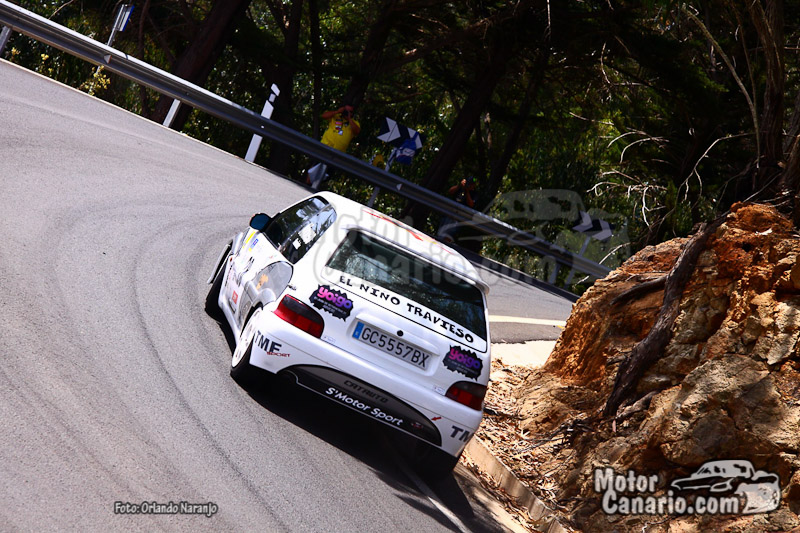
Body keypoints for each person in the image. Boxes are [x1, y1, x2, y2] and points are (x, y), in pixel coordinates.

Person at [307, 105, 361, 189]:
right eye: (346, 110)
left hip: (337, 155)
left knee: (326, 176)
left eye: (350, 111)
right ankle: (305, 187)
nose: (347, 113)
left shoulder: (354, 123)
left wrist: (349, 119)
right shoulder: (335, 117)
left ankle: (315, 189)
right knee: (313, 171)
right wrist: (337, 111)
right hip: (324, 148)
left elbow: (357, 131)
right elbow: (324, 116)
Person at [438, 176, 478, 243]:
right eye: (468, 183)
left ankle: (445, 243)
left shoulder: (474, 193)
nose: (469, 185)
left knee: (450, 233)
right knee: (442, 229)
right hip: (450, 211)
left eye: (471, 184)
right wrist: (459, 185)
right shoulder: (459, 187)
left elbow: (471, 204)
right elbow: (450, 191)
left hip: (459, 216)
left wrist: (467, 192)